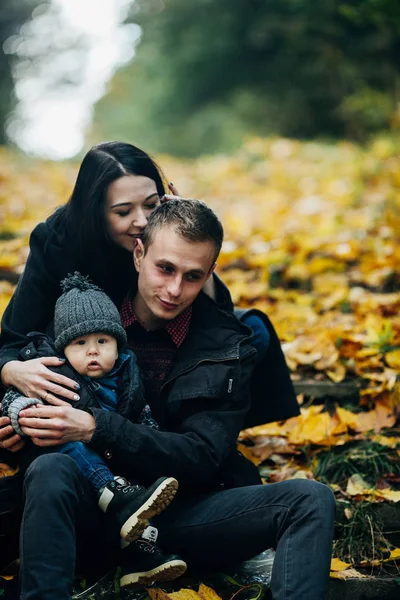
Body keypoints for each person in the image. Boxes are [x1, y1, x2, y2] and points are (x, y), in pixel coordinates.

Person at [9, 200, 335, 600]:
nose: (175, 289)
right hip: (87, 511)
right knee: (50, 468)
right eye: (165, 268)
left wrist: (98, 427)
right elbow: (34, 403)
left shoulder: (229, 345)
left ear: (210, 274)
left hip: (182, 515)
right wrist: (18, 425)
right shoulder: (81, 316)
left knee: (310, 498)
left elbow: (202, 455)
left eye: (193, 276)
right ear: (139, 254)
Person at [0, 141, 299, 454]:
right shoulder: (57, 243)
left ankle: (209, 434)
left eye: (152, 205)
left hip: (161, 335)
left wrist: (185, 229)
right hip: (89, 352)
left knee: (253, 329)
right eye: (123, 212)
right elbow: (15, 335)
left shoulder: (163, 237)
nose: (142, 221)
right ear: (96, 213)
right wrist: (10, 370)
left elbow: (218, 318)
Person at [1, 271, 187, 587]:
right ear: (63, 349)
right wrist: (22, 414)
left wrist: (150, 442)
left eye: (103, 341)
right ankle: (114, 494)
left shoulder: (128, 376)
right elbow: (13, 401)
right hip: (63, 472)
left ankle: (141, 555)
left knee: (137, 487)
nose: (92, 350)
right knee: (66, 440)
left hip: (116, 464)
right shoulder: (53, 373)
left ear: (118, 344)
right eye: (80, 343)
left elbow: (141, 419)